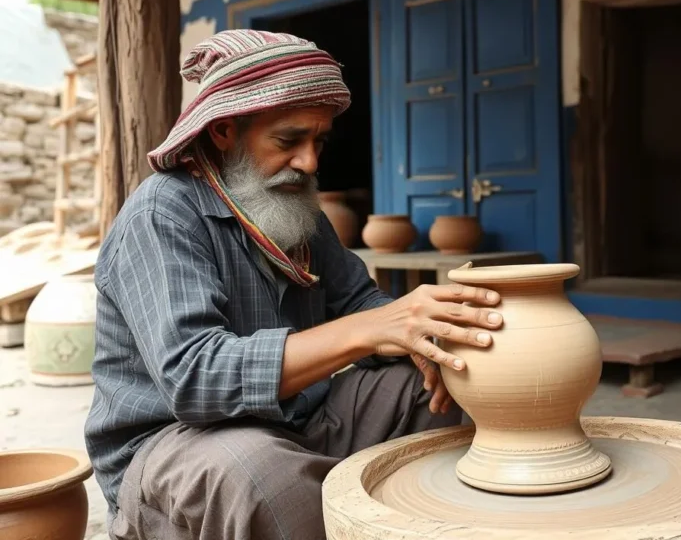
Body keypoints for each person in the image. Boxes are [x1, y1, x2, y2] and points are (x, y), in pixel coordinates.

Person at [83, 30, 503, 540]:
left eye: (318, 141)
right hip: (177, 443)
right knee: (263, 477)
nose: (310, 162)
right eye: (289, 140)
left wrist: (424, 341)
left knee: (438, 385)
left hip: (298, 417)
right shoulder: (162, 213)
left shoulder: (298, 207)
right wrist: (369, 329)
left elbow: (361, 301)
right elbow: (195, 379)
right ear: (223, 131)